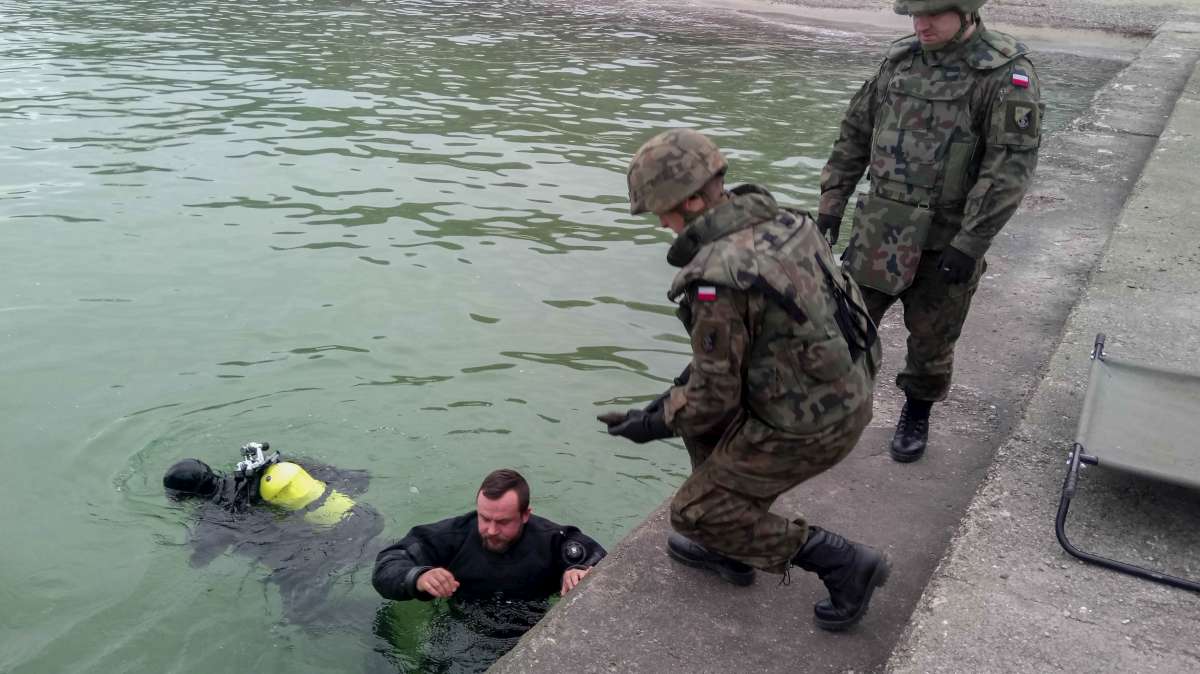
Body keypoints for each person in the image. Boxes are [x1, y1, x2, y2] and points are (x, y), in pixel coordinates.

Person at [598, 128, 889, 631]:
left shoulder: (718, 276)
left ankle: (841, 562)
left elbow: (713, 398)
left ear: (692, 201)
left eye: (662, 210)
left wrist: (652, 422)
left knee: (694, 513)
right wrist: (671, 401)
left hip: (811, 424)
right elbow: (756, 342)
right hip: (845, 390)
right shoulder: (787, 221)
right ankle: (731, 549)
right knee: (693, 419)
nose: (662, 223)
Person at [816, 0, 1043, 463]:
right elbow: (855, 133)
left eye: (933, 15)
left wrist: (971, 243)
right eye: (915, 16)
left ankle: (916, 413)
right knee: (845, 325)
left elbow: (1007, 170)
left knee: (932, 340)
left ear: (966, 13)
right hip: (881, 227)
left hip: (946, 241)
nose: (921, 25)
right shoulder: (900, 62)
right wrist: (831, 205)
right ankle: (836, 408)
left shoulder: (1004, 74)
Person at [163, 442, 384, 626]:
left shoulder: (212, 520)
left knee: (302, 617)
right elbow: (360, 480)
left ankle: (377, 617)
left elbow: (199, 560)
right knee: (382, 556)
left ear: (187, 498)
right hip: (351, 527)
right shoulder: (259, 477)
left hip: (302, 563)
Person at [372, 468, 605, 602]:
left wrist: (579, 573)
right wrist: (419, 577)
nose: (491, 530)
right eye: (484, 518)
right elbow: (386, 565)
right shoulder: (453, 535)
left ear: (525, 515)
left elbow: (604, 563)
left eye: (503, 522)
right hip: (463, 626)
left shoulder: (553, 540)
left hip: (533, 624)